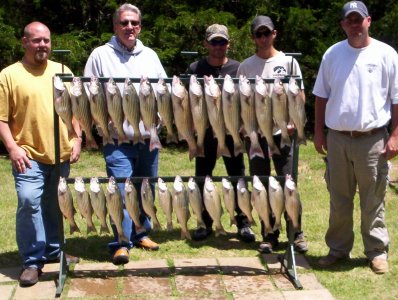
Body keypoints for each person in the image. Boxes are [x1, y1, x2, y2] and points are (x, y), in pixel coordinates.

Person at [313, 1, 398, 274]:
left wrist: (396, 134)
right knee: (339, 198)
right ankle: (338, 249)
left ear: (368, 21)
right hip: (338, 138)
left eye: (358, 19)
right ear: (342, 24)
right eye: (349, 20)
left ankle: (376, 252)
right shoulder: (332, 54)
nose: (354, 24)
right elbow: (320, 97)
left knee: (373, 198)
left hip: (372, 138)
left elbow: (397, 99)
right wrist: (318, 131)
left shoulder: (387, 54)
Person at [84, 3, 167, 265]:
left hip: (147, 137)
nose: (129, 27)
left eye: (134, 23)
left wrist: (160, 122)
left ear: (140, 26)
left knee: (146, 188)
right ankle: (121, 241)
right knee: (120, 190)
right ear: (115, 26)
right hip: (117, 140)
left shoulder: (150, 55)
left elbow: (163, 91)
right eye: (124, 23)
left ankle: (141, 232)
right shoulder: (99, 55)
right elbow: (88, 94)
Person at [0, 22, 82, 287]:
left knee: (54, 205)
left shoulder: (62, 70)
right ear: (24, 42)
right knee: (28, 202)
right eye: (36, 41)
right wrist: (12, 148)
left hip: (61, 153)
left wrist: (78, 138)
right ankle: (32, 262)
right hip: (28, 154)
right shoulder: (9, 75)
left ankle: (55, 252)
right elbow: (1, 119)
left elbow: (75, 109)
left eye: (46, 40)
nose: (43, 45)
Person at [237, 16, 308, 254]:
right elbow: (238, 102)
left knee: (288, 183)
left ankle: (296, 233)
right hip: (256, 136)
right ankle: (269, 233)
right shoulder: (245, 67)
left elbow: (299, 96)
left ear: (274, 34)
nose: (263, 38)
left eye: (267, 33)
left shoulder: (288, 63)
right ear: (253, 38)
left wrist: (293, 122)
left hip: (282, 134)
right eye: (259, 34)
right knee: (261, 184)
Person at [186, 24, 255, 243]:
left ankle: (243, 223)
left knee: (238, 178)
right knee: (202, 178)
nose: (218, 46)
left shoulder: (239, 68)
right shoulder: (194, 68)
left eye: (222, 42)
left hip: (232, 130)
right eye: (214, 42)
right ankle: (205, 222)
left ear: (228, 44)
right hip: (204, 132)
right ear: (206, 43)